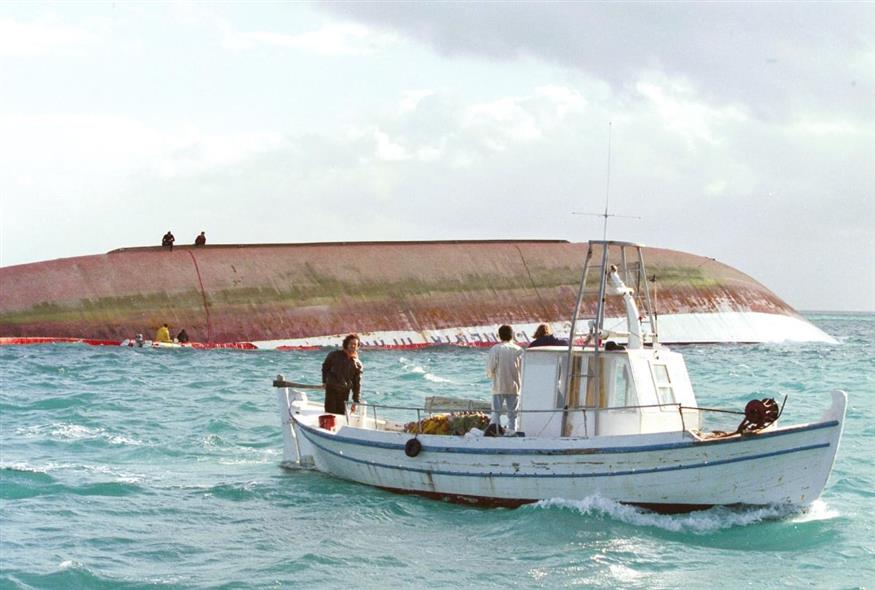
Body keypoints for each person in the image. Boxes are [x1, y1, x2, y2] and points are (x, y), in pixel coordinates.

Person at [486, 324, 524, 436]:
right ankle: (512, 433)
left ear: (499, 336)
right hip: (514, 386)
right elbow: (523, 368)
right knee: (513, 415)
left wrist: (491, 375)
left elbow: (490, 367)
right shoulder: (519, 350)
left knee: (496, 413)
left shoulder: (496, 349)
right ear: (512, 335)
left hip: (499, 385)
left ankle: (495, 433)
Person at [322, 334, 364, 414]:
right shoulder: (334, 355)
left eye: (355, 344)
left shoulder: (358, 364)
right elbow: (325, 367)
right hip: (332, 390)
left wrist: (356, 401)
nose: (353, 346)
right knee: (330, 414)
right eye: (351, 343)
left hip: (344, 392)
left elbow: (357, 383)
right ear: (346, 344)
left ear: (358, 346)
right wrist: (324, 381)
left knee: (341, 415)